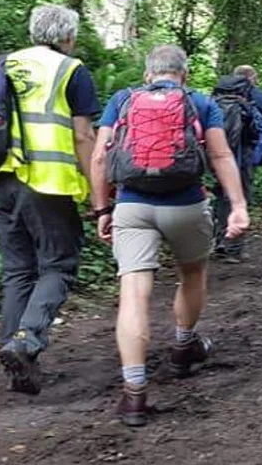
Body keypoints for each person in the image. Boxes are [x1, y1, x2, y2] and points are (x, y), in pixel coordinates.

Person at [89, 45, 250, 427]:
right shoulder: (199, 101)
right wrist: (238, 204)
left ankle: (134, 395)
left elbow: (99, 156)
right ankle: (182, 349)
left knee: (133, 292)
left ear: (148, 75)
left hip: (132, 207)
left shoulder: (121, 99)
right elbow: (222, 156)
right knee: (192, 273)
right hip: (187, 205)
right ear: (185, 75)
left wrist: (101, 208)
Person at [0, 5, 101, 395]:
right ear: (68, 36)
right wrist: (100, 192)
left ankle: (17, 361)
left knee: (18, 271)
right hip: (47, 182)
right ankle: (26, 341)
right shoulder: (70, 70)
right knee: (59, 265)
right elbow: (84, 137)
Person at [211, 68, 262, 263]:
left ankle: (218, 240)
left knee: (220, 197)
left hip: (216, 157)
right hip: (242, 156)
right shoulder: (253, 97)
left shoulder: (214, 100)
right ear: (251, 78)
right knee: (239, 198)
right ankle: (234, 247)